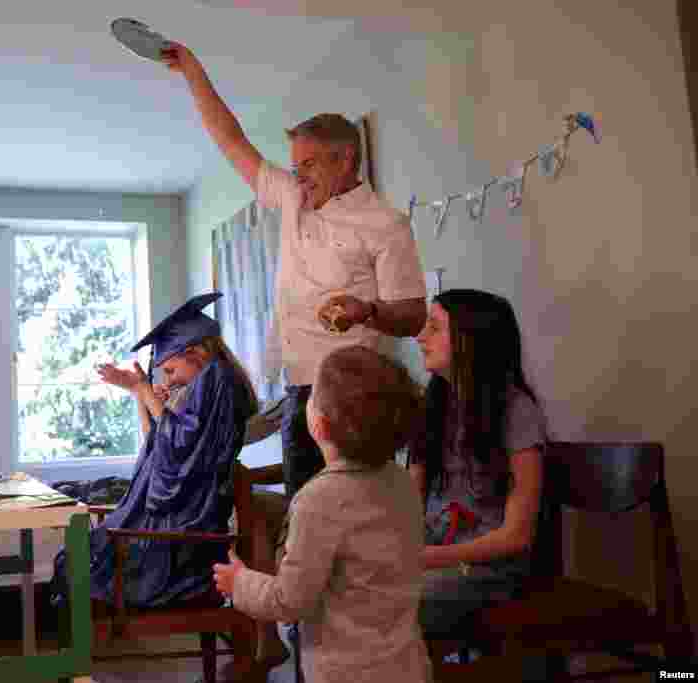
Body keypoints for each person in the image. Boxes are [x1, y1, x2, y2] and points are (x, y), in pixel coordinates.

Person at [160, 43, 427, 499]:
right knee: (303, 511)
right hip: (297, 392)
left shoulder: (385, 224)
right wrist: (191, 71)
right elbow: (231, 140)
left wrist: (365, 310)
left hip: (354, 395)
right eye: (295, 165)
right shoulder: (291, 198)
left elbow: (413, 315)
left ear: (344, 159)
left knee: (348, 516)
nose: (299, 175)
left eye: (309, 164)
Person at [213, 345, 430, 683]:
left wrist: (240, 582)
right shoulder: (401, 482)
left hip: (345, 672)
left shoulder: (317, 499)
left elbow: (289, 600)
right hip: (406, 665)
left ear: (319, 425)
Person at [50, 292, 258, 608]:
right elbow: (160, 447)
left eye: (171, 371)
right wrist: (141, 395)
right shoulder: (205, 384)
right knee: (77, 559)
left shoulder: (217, 379)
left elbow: (178, 450)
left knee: (83, 566)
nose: (170, 381)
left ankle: (76, 651)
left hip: (184, 537)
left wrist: (148, 393)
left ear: (194, 353)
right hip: (178, 526)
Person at [407, 289, 546, 643]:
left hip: (493, 571)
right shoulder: (432, 408)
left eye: (434, 327)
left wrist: (427, 558)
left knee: (388, 600)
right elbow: (408, 503)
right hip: (436, 559)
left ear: (470, 337)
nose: (421, 337)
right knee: (353, 585)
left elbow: (517, 536)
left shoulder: (516, 412)